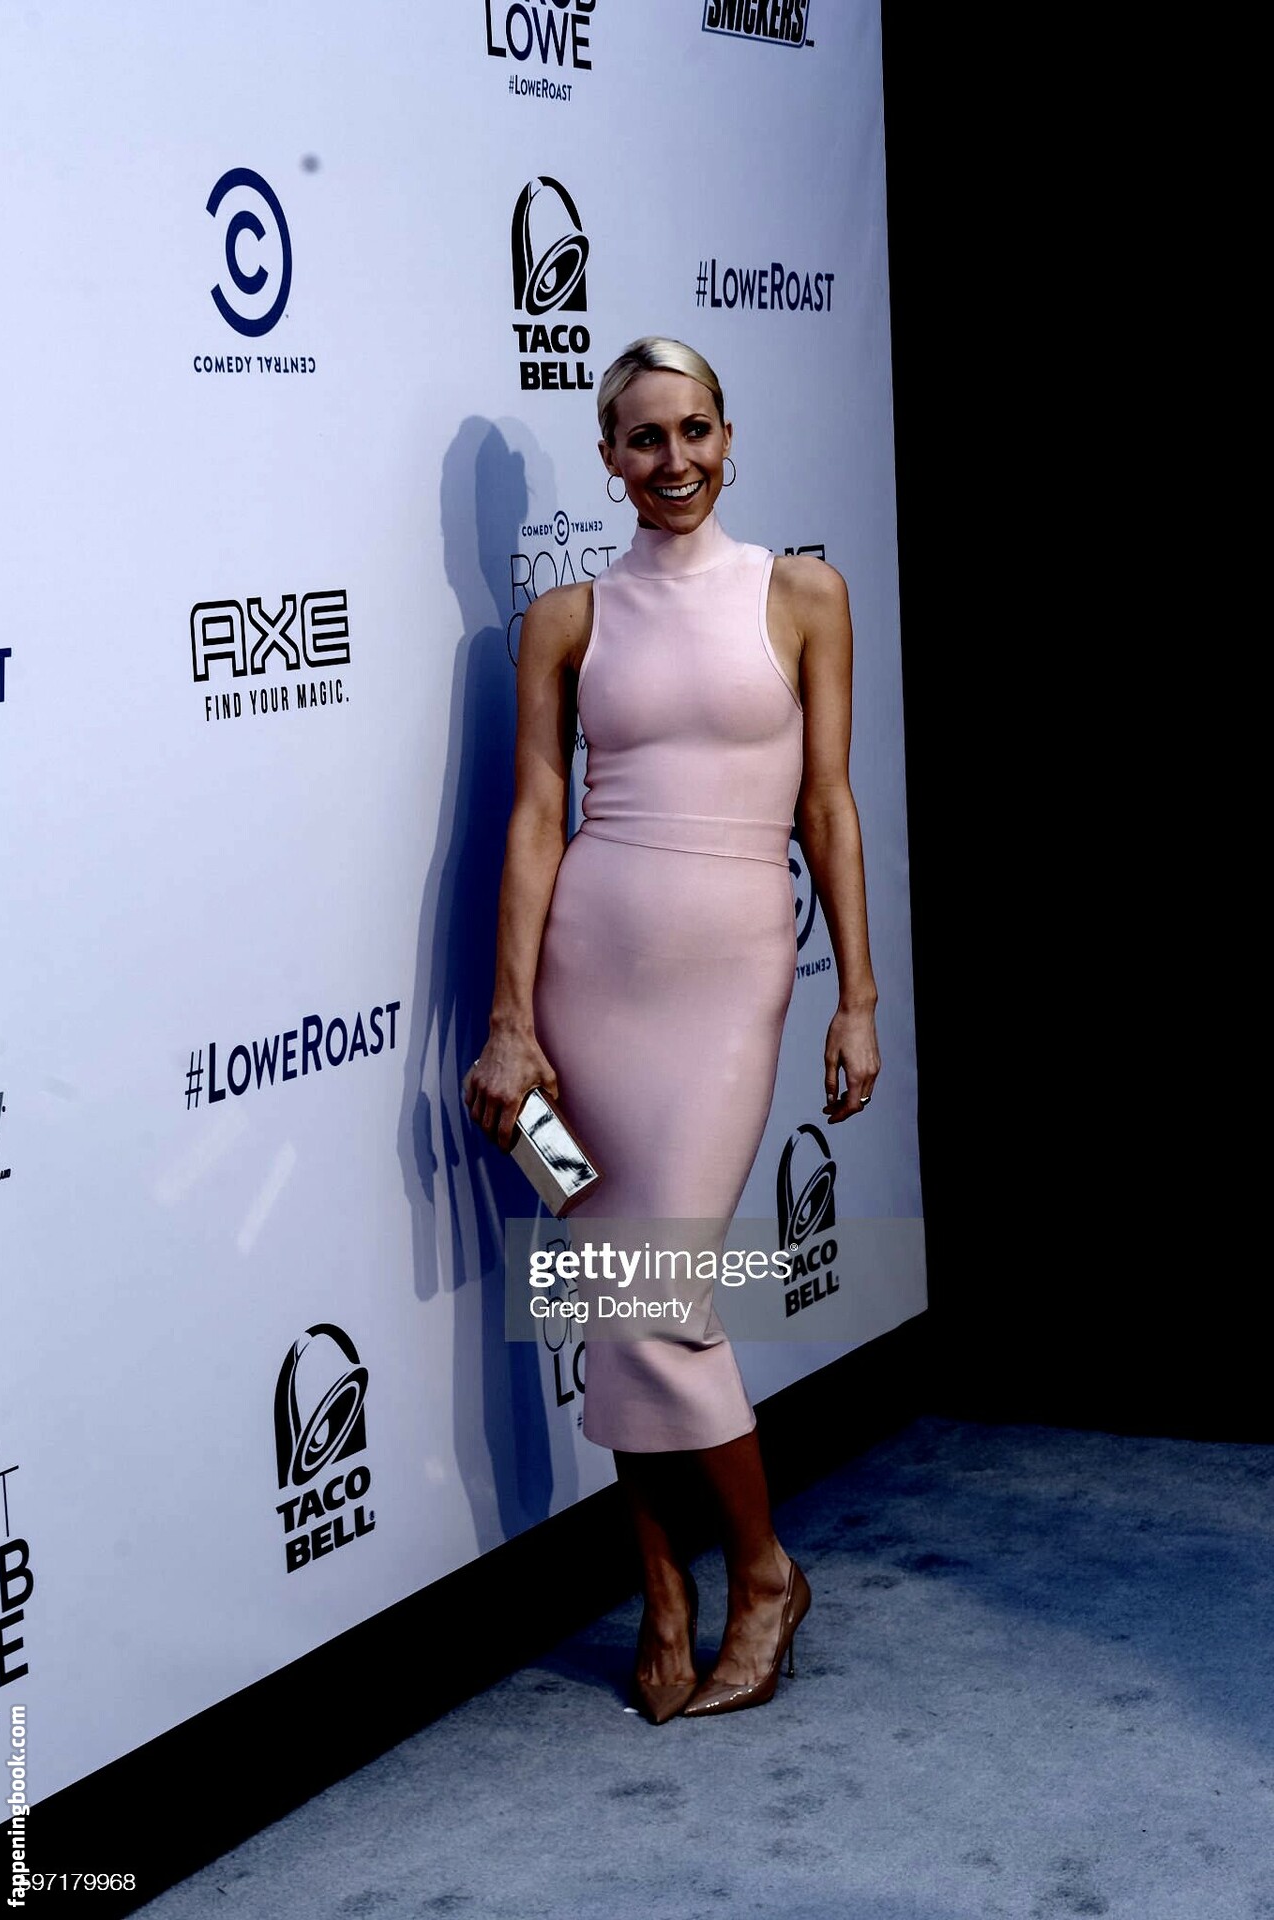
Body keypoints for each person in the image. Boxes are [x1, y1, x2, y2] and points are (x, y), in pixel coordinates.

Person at [464, 337, 879, 1720]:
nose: (674, 460)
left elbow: (828, 806)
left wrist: (859, 996)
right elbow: (536, 819)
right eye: (644, 439)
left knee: (658, 1292)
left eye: (694, 430)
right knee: (611, 1290)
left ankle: (762, 1573)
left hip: (732, 978)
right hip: (582, 985)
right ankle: (663, 1593)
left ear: (728, 436)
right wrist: (511, 1020)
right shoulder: (566, 619)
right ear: (609, 459)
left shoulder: (803, 594)